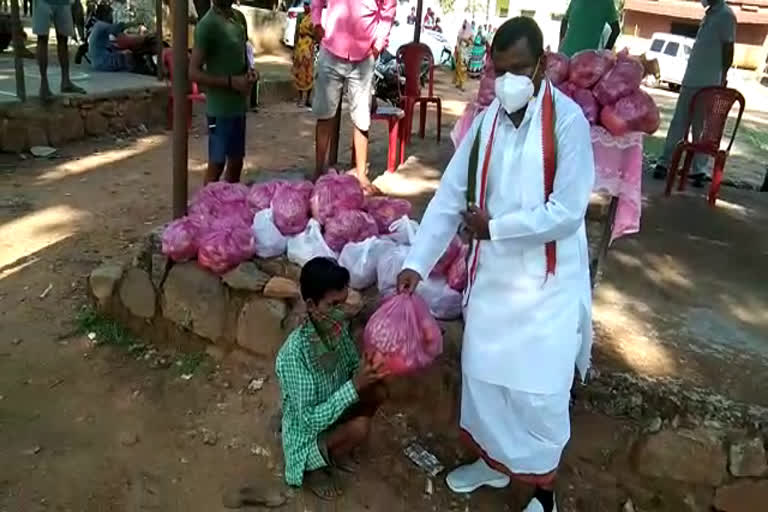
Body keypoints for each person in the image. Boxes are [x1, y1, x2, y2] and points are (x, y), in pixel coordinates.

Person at [397, 16, 594, 512]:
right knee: (483, 380)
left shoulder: (567, 123)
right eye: (499, 69)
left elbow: (567, 213)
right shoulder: (485, 124)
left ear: (544, 65)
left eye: (519, 69)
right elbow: (449, 198)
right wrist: (417, 263)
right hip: (493, 282)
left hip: (547, 286)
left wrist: (496, 228)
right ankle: (493, 464)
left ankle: (543, 494)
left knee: (539, 394)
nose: (508, 81)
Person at [276, 257, 388, 500]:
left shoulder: (336, 331)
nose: (340, 312)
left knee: (378, 390)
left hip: (331, 408)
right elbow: (308, 421)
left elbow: (350, 366)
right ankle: (312, 467)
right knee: (360, 427)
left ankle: (335, 451)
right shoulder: (294, 355)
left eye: (343, 303)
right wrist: (355, 386)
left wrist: (366, 368)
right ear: (311, 304)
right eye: (333, 305)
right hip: (305, 431)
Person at [311, 0, 397, 190]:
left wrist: (378, 45)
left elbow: (388, 10)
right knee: (325, 114)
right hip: (331, 50)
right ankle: (318, 170)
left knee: (361, 118)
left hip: (364, 56)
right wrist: (317, 23)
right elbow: (317, 2)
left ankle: (361, 175)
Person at [653, 0, 735, 186]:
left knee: (701, 128)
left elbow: (728, 49)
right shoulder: (709, 13)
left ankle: (698, 171)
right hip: (691, 79)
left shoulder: (726, 16)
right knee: (678, 123)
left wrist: (723, 76)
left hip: (708, 83)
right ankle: (665, 163)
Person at [189, 0, 257, 184]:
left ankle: (229, 206)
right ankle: (206, 208)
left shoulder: (239, 18)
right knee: (217, 163)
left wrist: (251, 72)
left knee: (236, 163)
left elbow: (245, 53)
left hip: (238, 107)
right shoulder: (207, 26)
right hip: (219, 110)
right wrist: (230, 82)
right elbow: (193, 72)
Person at [33, 0, 87, 100]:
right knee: (42, 39)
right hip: (43, 2)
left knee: (63, 39)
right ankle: (44, 84)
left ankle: (66, 82)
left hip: (63, 3)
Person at [86, 4, 156, 74]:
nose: (112, 15)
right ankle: (142, 71)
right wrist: (135, 23)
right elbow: (117, 28)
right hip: (102, 62)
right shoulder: (101, 25)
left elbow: (114, 38)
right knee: (129, 55)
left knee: (123, 52)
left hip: (97, 62)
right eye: (111, 13)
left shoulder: (97, 26)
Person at [293, 0, 315, 108]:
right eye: (305, 4)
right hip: (300, 47)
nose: (306, 7)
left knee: (309, 73)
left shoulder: (314, 17)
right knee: (299, 72)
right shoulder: (300, 16)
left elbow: (316, 33)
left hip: (309, 47)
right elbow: (296, 32)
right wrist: (294, 48)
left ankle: (308, 99)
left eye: (308, 5)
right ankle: (300, 98)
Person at [453, 20, 472, 91]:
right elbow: (457, 42)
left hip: (465, 54)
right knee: (459, 68)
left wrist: (465, 40)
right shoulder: (460, 32)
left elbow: (471, 42)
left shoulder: (469, 34)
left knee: (463, 69)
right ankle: (459, 84)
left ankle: (461, 84)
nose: (464, 26)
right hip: (460, 52)